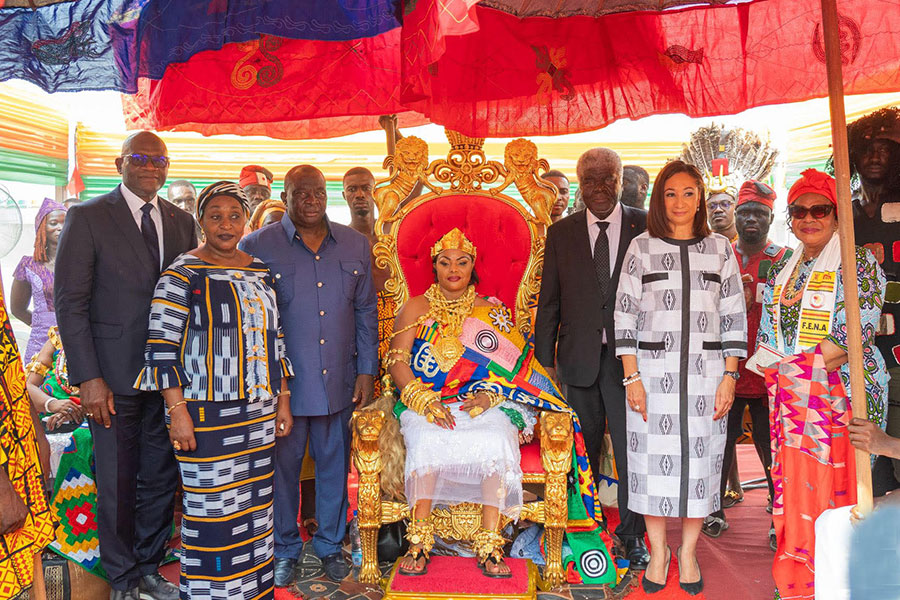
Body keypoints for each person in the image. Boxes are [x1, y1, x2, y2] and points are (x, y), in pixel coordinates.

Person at [385, 228, 609, 580]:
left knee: (495, 438)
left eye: (461, 262)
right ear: (435, 266)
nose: (453, 269)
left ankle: (490, 544)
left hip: (479, 401)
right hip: (428, 399)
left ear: (472, 265)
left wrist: (491, 395)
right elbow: (397, 361)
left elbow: (516, 372)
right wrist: (422, 399)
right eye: (445, 262)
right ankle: (419, 540)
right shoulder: (416, 306)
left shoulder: (492, 312)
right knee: (428, 437)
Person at [55, 130, 198, 600]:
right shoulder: (89, 217)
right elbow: (70, 305)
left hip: (169, 377)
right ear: (120, 163)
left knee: (160, 476)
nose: (151, 166)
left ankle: (149, 566)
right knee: (116, 480)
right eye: (140, 157)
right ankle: (120, 578)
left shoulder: (180, 221)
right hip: (111, 379)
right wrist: (88, 379)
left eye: (160, 160)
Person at [136, 181, 294, 600]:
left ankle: (253, 592)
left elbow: (275, 338)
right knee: (212, 513)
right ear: (201, 220)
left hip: (258, 411)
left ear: (246, 220)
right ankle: (213, 593)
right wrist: (178, 412)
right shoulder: (182, 273)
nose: (226, 224)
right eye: (215, 216)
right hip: (206, 414)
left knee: (255, 509)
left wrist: (283, 400)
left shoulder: (259, 270)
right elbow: (161, 348)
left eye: (234, 215)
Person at [751, 169, 887, 599]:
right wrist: (778, 369)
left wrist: (788, 370)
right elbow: (768, 340)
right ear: (789, 217)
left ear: (836, 212)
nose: (809, 218)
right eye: (799, 211)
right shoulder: (781, 269)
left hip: (843, 397)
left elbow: (852, 334)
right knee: (795, 492)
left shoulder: (858, 260)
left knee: (842, 497)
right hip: (792, 401)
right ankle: (799, 581)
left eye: (820, 209)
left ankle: (839, 584)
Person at [239, 164, 378, 586]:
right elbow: (248, 321)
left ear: (327, 194)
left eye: (318, 192)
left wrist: (367, 371)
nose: (311, 200)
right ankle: (283, 548)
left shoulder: (354, 245)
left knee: (335, 466)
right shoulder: (256, 246)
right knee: (281, 470)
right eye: (302, 193)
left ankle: (331, 546)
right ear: (286, 193)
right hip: (282, 387)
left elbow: (366, 312)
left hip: (338, 378)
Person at [614, 159, 747, 595]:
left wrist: (730, 375)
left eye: (689, 192)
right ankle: (658, 551)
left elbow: (733, 315)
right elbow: (624, 316)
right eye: (671, 193)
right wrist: (631, 379)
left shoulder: (720, 249)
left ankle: (687, 551)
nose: (680, 202)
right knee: (649, 465)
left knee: (701, 466)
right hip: (652, 377)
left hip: (707, 376)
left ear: (701, 198)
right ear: (659, 199)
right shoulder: (641, 248)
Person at [535, 147, 650, 571]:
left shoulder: (645, 225)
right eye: (590, 181)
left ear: (622, 180)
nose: (599, 189)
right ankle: (586, 530)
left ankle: (633, 536)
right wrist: (545, 363)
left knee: (630, 448)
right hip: (578, 359)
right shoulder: (561, 232)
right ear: (580, 184)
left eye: (608, 179)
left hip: (632, 362)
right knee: (578, 449)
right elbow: (550, 300)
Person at [702, 181, 788, 544]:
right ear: (736, 217)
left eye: (760, 213)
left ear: (770, 218)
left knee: (774, 445)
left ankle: (779, 515)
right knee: (720, 441)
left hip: (770, 371)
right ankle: (714, 509)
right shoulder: (721, 255)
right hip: (727, 369)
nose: (752, 219)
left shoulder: (784, 258)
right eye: (745, 212)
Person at [844, 107, 900, 496]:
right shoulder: (843, 212)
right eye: (868, 148)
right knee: (864, 451)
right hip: (856, 348)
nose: (876, 156)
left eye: (886, 148)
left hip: (898, 347)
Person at [1, 282, 55, 600]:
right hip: (5, 468)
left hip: (20, 449)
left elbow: (10, 373)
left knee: (24, 572)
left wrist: (37, 434)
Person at [10, 198, 67, 359]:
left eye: (65, 222)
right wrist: (42, 326)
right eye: (53, 223)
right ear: (42, 227)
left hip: (76, 340)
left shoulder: (82, 262)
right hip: (40, 343)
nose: (60, 228)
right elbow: (17, 309)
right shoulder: (28, 265)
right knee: (36, 383)